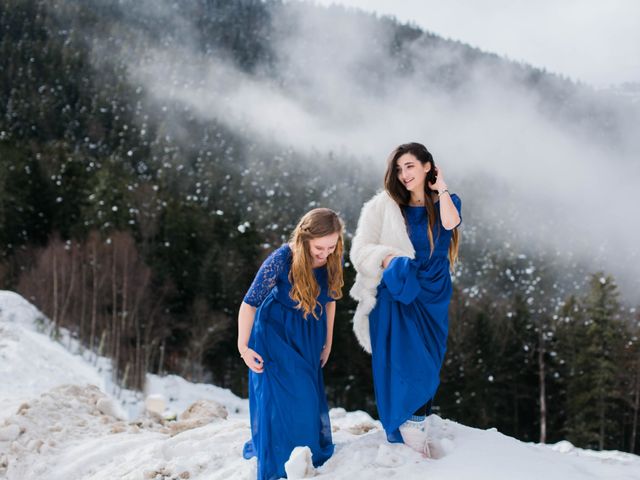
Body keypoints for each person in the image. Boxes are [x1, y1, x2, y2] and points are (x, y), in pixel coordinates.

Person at [350, 142, 462, 456]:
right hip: (400, 287)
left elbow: (451, 224)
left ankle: (418, 419)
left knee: (430, 358)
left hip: (435, 288)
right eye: (399, 169)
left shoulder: (447, 201)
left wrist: (440, 189)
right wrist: (387, 259)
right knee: (405, 358)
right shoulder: (383, 206)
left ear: (428, 166)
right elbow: (361, 250)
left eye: (410, 166)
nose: (404, 174)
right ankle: (411, 425)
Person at [239, 208, 344, 480]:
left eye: (331, 246)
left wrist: (328, 342)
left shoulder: (332, 257)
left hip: (309, 334)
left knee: (306, 400)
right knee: (280, 398)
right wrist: (243, 348)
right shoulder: (282, 258)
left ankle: (303, 453)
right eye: (319, 247)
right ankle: (279, 461)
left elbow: (330, 300)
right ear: (304, 238)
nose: (325, 253)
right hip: (274, 332)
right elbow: (249, 304)